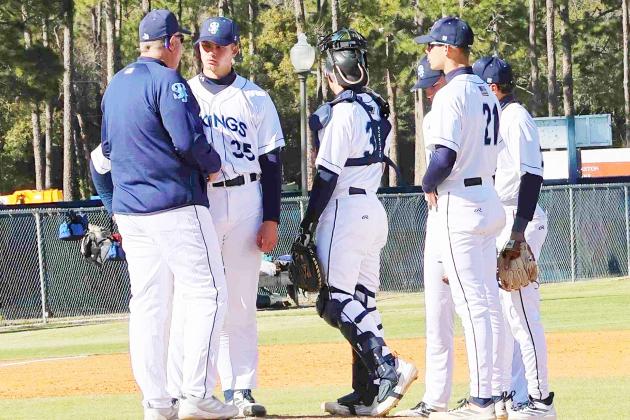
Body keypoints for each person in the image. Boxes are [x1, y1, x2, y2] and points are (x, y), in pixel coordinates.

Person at [100, 9, 237, 420]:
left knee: (148, 305)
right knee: (209, 294)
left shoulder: (115, 86)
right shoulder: (168, 81)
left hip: (130, 211)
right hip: (175, 205)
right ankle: (195, 393)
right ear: (174, 43)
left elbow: (106, 151)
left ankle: (157, 405)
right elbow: (186, 139)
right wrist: (213, 164)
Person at [296, 28, 417, 417]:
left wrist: (306, 225)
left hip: (345, 212)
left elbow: (327, 176)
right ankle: (365, 392)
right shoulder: (378, 108)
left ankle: (388, 367)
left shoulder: (344, 112)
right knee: (361, 302)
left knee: (334, 302)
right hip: (372, 211)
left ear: (332, 71)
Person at [169, 16, 284, 417]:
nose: (212, 53)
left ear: (235, 48)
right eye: (205, 46)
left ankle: (241, 388)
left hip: (248, 198)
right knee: (198, 300)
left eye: (220, 46)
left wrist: (271, 218)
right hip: (202, 201)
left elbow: (271, 161)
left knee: (240, 301)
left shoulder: (256, 98)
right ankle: (196, 389)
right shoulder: (182, 93)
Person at [414, 16, 507, 419]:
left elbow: (443, 157)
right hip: (487, 194)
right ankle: (497, 392)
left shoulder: (449, 95)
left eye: (432, 45)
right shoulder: (486, 93)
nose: (428, 51)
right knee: (486, 304)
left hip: (460, 201)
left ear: (449, 49)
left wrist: (425, 182)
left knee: (472, 307)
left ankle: (482, 401)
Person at [473, 56, 556, 419]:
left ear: (492, 88)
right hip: (500, 218)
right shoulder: (492, 121)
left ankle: (541, 401)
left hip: (520, 221)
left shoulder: (515, 117)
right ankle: (510, 395)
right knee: (504, 317)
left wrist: (518, 234)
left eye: (479, 87)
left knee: (523, 315)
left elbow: (531, 175)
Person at [396, 57, 455, 418]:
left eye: (435, 83)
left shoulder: (465, 108)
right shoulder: (433, 116)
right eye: (428, 86)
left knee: (478, 310)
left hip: (464, 212)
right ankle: (436, 400)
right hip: (439, 216)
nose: (431, 91)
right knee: (436, 314)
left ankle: (495, 394)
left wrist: (428, 181)